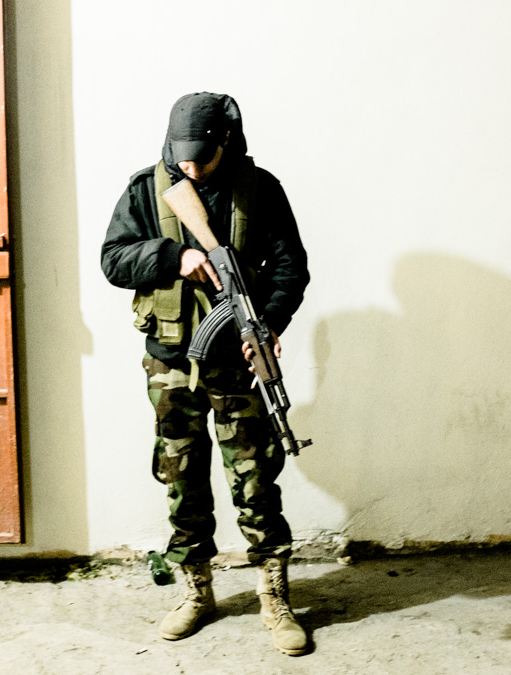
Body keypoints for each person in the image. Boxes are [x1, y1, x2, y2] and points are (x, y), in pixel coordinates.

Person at [100, 92, 311, 656]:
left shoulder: (259, 188)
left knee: (256, 480)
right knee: (182, 478)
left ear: (226, 143)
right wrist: (173, 257)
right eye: (182, 157)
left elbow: (292, 265)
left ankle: (273, 594)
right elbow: (113, 259)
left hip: (237, 364)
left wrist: (264, 324)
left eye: (203, 158)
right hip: (171, 365)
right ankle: (196, 591)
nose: (190, 168)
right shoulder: (147, 189)